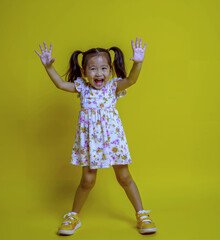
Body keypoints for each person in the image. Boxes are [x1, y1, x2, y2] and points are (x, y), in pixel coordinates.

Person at [35, 37, 157, 235]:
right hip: (91, 144)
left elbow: (132, 80)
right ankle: (74, 216)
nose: (98, 73)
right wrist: (48, 67)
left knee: (124, 177)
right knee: (87, 181)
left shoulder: (113, 87)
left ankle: (142, 214)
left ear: (110, 70)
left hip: (113, 141)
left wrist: (138, 62)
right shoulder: (82, 87)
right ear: (84, 72)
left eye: (103, 68)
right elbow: (59, 84)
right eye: (93, 69)